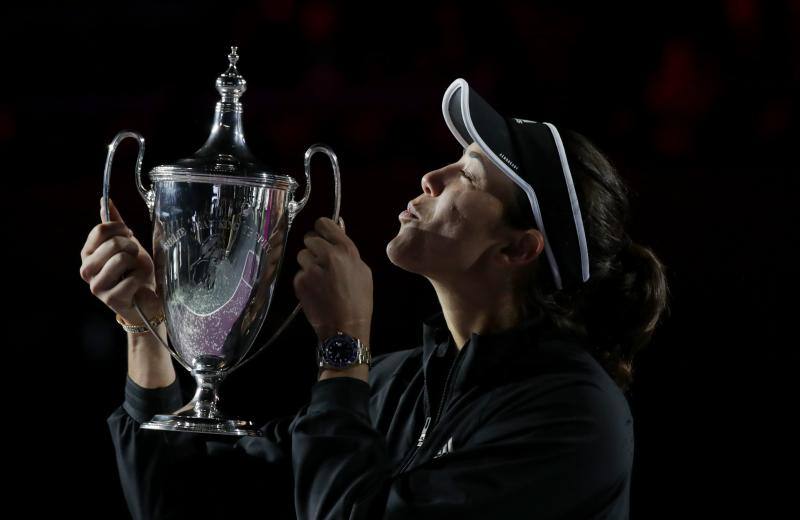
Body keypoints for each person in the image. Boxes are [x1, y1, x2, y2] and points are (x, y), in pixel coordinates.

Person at [80, 77, 670, 519]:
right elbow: (176, 501)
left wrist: (343, 346)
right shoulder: (395, 385)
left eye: (468, 175)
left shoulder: (572, 418)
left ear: (518, 249)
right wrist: (147, 328)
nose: (431, 178)